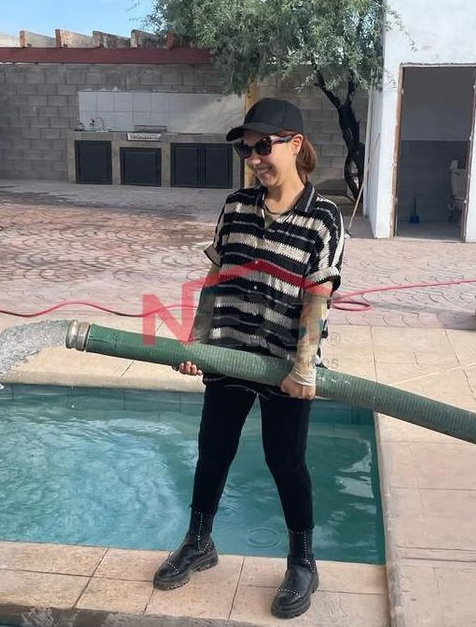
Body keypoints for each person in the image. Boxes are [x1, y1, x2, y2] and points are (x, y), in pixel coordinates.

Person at [152, 98, 345, 620]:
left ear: (295, 144)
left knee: (286, 461)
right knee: (212, 450)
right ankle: (199, 542)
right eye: (246, 150)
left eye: (263, 146)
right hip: (230, 352)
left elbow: (318, 295)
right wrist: (197, 341)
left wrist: (303, 367)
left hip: (284, 364)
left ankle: (302, 562)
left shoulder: (324, 217)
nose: (254, 159)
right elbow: (216, 278)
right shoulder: (236, 205)